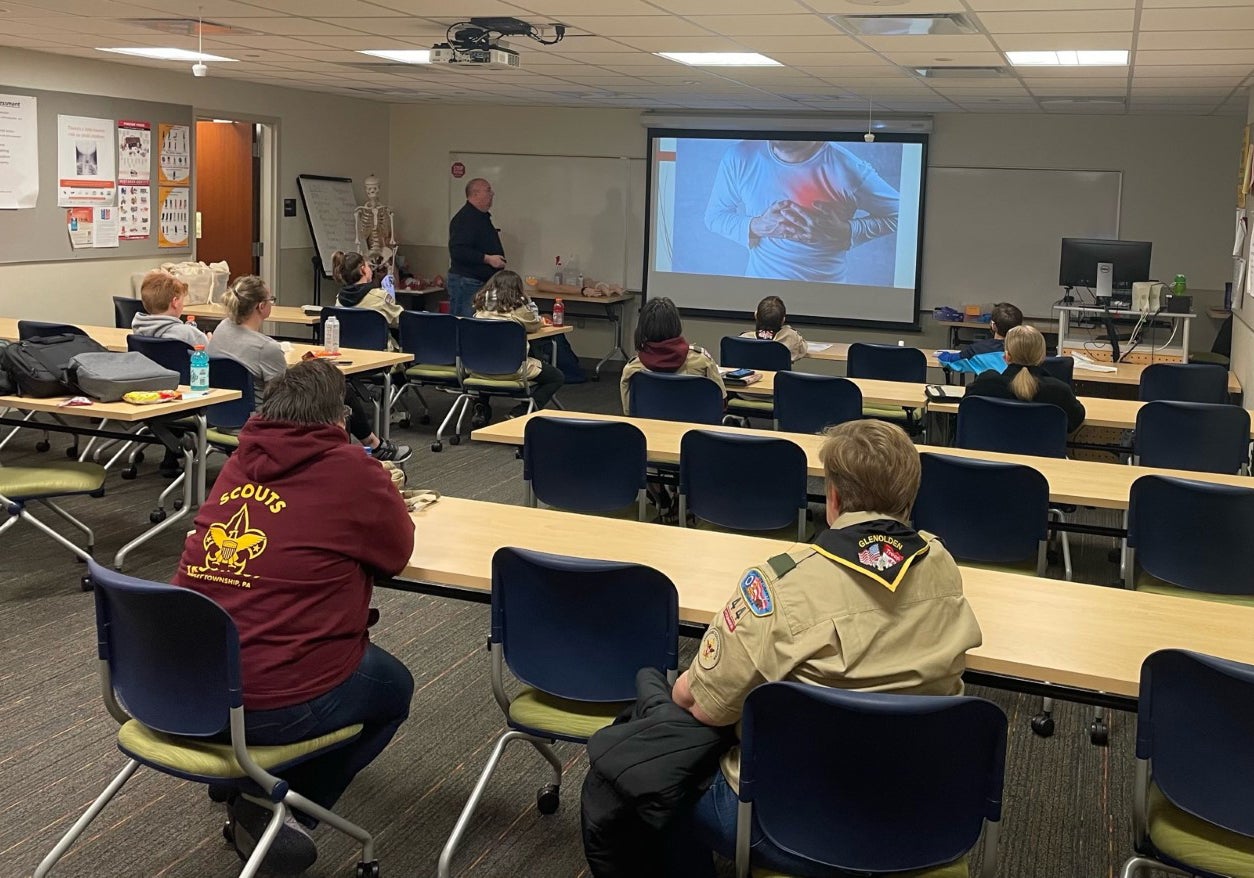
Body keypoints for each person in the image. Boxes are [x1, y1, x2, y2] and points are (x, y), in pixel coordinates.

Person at [670, 419, 983, 876]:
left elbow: (702, 706)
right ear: (910, 499)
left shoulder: (780, 584)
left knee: (655, 789)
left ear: (832, 498)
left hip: (785, 823)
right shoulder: (942, 563)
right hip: (925, 817)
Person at [173, 359, 415, 874]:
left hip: (181, 686)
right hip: (270, 698)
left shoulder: (239, 459)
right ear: (339, 419)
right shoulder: (353, 469)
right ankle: (281, 805)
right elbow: (396, 556)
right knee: (394, 689)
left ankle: (245, 778)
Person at [209, 276, 410, 462]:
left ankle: (374, 446)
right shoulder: (265, 347)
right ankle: (372, 448)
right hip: (261, 422)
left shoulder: (222, 328)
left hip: (219, 418)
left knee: (329, 384)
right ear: (261, 307)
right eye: (271, 299)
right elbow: (282, 399)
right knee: (338, 389)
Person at [704, 140, 899, 283]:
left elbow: (903, 215)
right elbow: (714, 216)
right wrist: (758, 225)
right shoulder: (741, 156)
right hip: (759, 296)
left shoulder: (848, 168)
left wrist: (845, 231)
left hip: (826, 298)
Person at [469, 269, 565, 422]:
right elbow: (534, 324)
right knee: (556, 377)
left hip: (477, 368)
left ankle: (480, 407)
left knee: (489, 361)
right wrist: (528, 300)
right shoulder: (517, 309)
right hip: (511, 369)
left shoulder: (479, 309)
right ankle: (521, 411)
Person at [965, 324, 1086, 433]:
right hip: (1042, 455)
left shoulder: (985, 383)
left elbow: (966, 409)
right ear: (1041, 357)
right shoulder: (1059, 391)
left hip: (988, 455)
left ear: (1007, 356)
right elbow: (1074, 422)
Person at [620, 297, 725, 416]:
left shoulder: (632, 369)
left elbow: (628, 411)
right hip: (694, 431)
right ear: (676, 324)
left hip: (650, 431)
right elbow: (721, 403)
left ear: (642, 328)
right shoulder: (702, 361)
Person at [447, 177, 505, 317]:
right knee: (465, 324)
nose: (492, 194)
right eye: (488, 190)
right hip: (467, 283)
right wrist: (488, 259)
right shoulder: (465, 218)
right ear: (475, 193)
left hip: (480, 282)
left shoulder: (481, 217)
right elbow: (458, 251)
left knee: (476, 325)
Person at [937, 302, 1023, 376]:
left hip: (988, 393)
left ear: (993, 325)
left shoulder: (978, 350)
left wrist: (942, 354)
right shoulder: (1027, 350)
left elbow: (950, 361)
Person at [131, 268, 210, 347]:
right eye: (182, 301)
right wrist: (209, 341)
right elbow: (210, 354)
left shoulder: (138, 329)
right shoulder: (190, 335)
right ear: (175, 302)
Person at [332, 249, 403, 336]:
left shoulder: (339, 300)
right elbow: (401, 320)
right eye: (368, 266)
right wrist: (391, 299)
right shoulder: (379, 297)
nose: (371, 269)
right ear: (363, 270)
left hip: (347, 348)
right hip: (378, 349)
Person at [738, 295, 807, 362]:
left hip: (751, 374)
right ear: (783, 320)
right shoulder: (791, 338)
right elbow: (802, 350)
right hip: (778, 374)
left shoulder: (742, 340)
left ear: (756, 316)